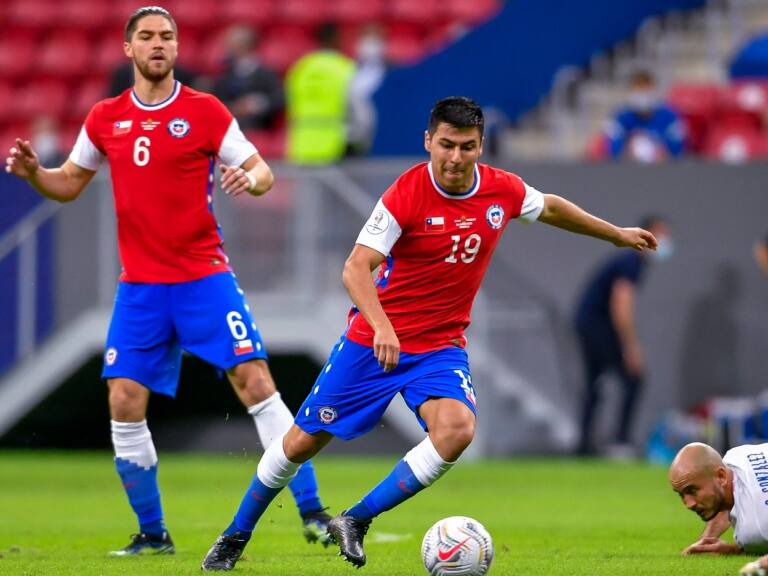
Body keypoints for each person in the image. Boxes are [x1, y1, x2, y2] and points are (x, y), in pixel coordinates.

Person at [200, 96, 658, 571]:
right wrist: (381, 326)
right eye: (446, 145)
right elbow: (357, 269)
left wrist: (616, 234)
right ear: (428, 141)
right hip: (372, 344)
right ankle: (235, 535)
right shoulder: (407, 192)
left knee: (457, 430)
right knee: (299, 444)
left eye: (467, 147)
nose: (455, 158)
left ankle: (355, 519)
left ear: (481, 146)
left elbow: (552, 208)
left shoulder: (502, 190)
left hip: (440, 347)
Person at [4, 6, 331, 556]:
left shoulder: (204, 110)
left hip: (204, 277)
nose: (159, 45)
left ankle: (313, 510)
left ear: (177, 49)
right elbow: (69, 184)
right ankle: (153, 534)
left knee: (254, 381)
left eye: (168, 37)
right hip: (141, 288)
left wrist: (247, 178)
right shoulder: (105, 117)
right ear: (128, 50)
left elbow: (262, 170)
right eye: (148, 37)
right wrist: (36, 173)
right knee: (125, 399)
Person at [573, 216, 672, 457]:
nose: (664, 242)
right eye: (660, 234)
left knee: (595, 384)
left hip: (589, 324)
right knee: (633, 377)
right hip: (597, 326)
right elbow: (621, 304)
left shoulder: (630, 261)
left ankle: (585, 446)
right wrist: (630, 347)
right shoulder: (632, 261)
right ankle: (620, 442)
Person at [668, 442, 768, 564]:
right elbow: (725, 496)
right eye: (681, 494)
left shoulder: (754, 530)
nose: (689, 504)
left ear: (721, 476)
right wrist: (706, 538)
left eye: (692, 490)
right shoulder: (737, 456)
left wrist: (735, 550)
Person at [284, 22, 356, 165]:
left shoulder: (301, 68)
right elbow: (356, 107)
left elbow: (291, 104)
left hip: (302, 145)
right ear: (336, 39)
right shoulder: (345, 68)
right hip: (335, 145)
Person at [603, 69, 687, 162]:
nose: (642, 94)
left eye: (646, 89)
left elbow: (677, 150)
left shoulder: (670, 116)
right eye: (638, 89)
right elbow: (613, 150)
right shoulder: (620, 117)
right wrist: (627, 152)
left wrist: (663, 152)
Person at [212, 25, 284, 131]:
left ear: (245, 46)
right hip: (230, 128)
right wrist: (234, 107)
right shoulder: (224, 73)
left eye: (232, 44)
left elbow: (279, 99)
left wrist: (257, 104)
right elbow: (217, 100)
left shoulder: (266, 74)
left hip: (259, 129)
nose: (228, 48)